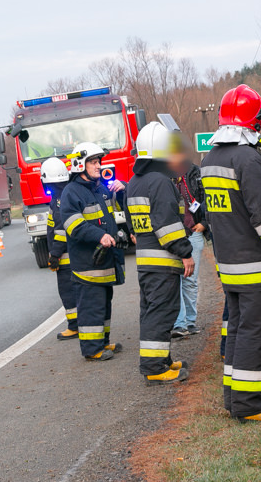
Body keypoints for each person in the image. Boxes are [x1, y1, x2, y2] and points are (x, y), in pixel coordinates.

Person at [201, 85, 261, 423]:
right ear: (255, 120)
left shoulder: (210, 159)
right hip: (256, 266)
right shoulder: (249, 159)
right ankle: (250, 405)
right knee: (256, 334)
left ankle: (234, 397)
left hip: (229, 265)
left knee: (239, 332)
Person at [127, 122, 194, 385]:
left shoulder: (135, 182)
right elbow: (167, 225)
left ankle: (161, 359)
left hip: (146, 262)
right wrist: (185, 252)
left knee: (151, 312)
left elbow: (134, 224)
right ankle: (155, 368)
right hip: (163, 261)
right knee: (162, 312)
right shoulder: (161, 183)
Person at [62, 142, 126, 361]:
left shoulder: (100, 188)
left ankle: (103, 343)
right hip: (87, 265)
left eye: (99, 161)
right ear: (80, 164)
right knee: (91, 307)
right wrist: (99, 235)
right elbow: (74, 225)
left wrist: (122, 189)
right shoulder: (71, 192)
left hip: (104, 263)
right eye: (94, 162)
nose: (99, 166)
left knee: (103, 306)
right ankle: (92, 350)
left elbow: (116, 213)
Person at [168, 147, 208, 339]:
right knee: (175, 279)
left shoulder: (195, 173)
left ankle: (190, 322)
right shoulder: (163, 177)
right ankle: (179, 324)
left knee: (190, 279)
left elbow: (207, 199)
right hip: (174, 235)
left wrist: (204, 223)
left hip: (193, 232)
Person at [41, 157, 80, 341]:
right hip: (73, 254)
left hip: (66, 257)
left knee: (68, 291)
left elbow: (60, 230)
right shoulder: (67, 193)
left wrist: (55, 255)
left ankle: (74, 326)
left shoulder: (58, 200)